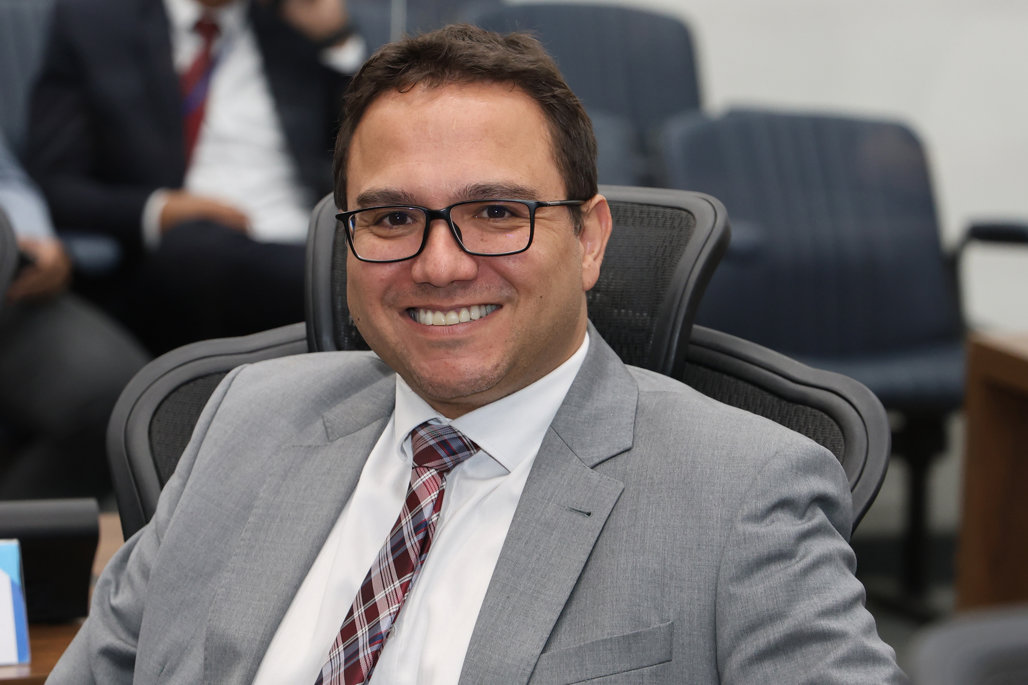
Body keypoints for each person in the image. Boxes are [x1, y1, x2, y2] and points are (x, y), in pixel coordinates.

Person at [48, 25, 906, 684]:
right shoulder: (242, 418)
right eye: (391, 218)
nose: (440, 265)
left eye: (496, 212)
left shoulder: (743, 491)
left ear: (589, 238)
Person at [25, 0, 363, 353]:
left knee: (370, 243)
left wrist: (336, 41)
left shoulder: (287, 21)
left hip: (306, 235)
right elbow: (56, 185)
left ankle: (341, 284)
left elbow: (359, 150)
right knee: (196, 251)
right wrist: (160, 210)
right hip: (189, 256)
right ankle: (344, 289)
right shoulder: (94, 24)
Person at [0, 131, 149, 500]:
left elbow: (6, 178)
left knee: (121, 401)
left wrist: (34, 240)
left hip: (11, 288)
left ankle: (16, 529)